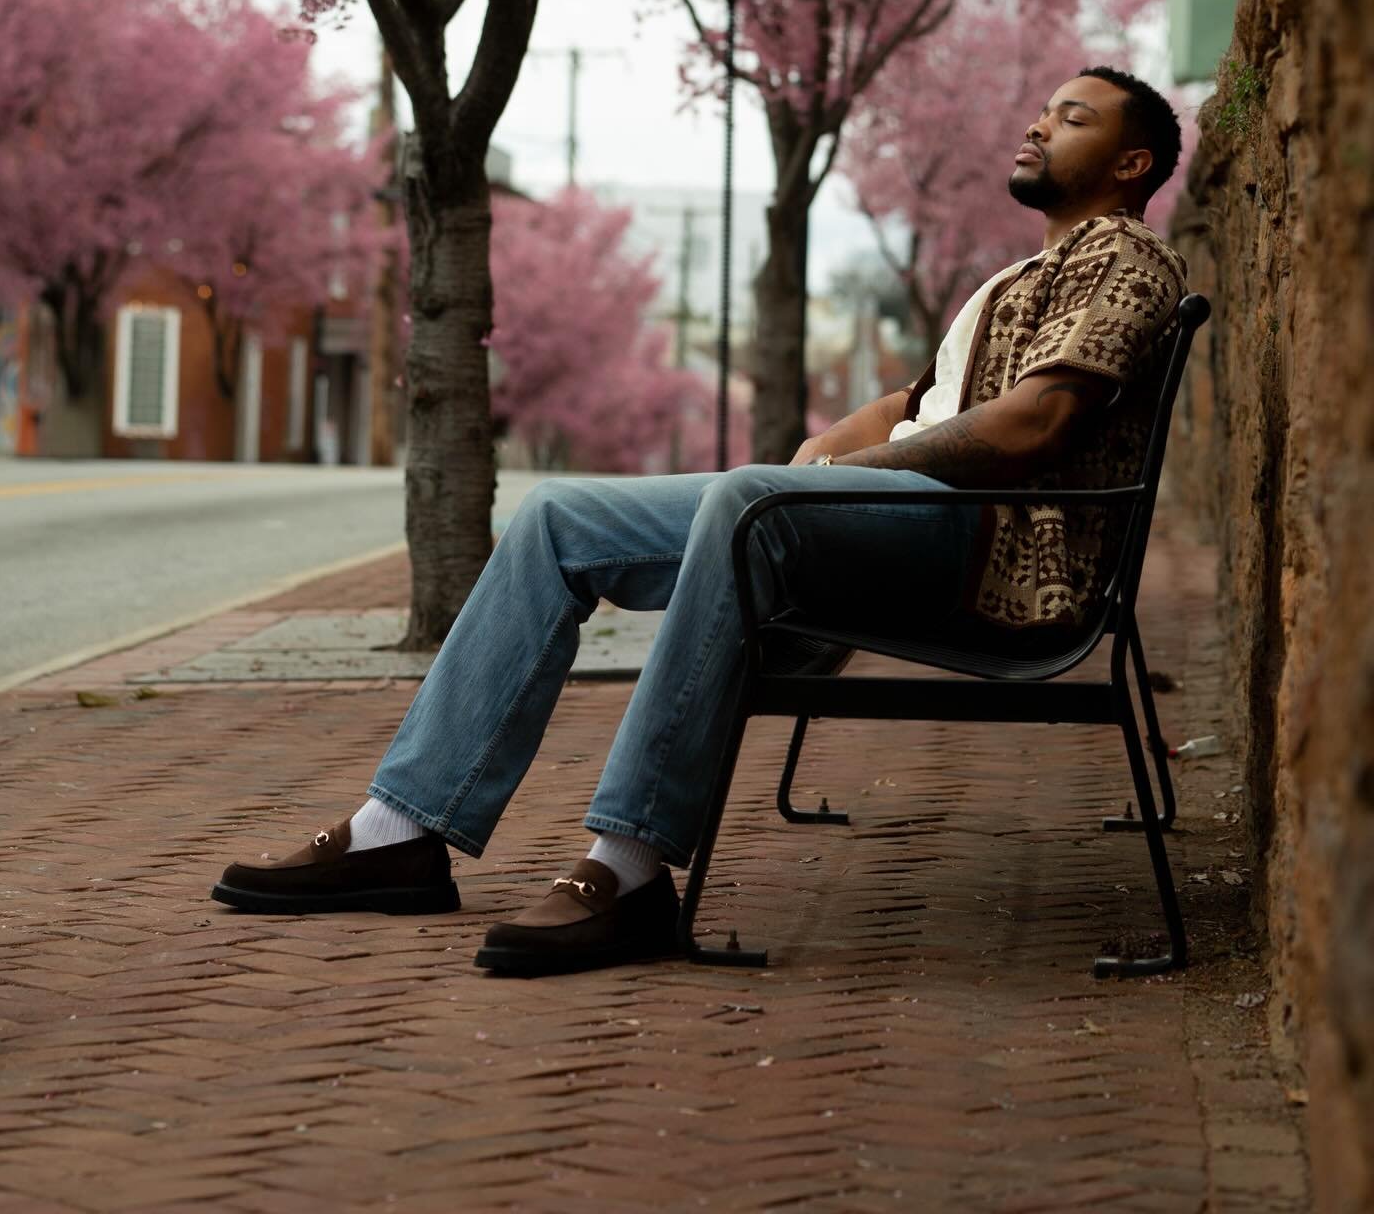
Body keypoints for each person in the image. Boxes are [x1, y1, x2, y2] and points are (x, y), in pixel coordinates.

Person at [212, 66, 1186, 976]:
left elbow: (1037, 422)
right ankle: (400, 832)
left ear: (1131, 163)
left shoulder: (1128, 259)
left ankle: (630, 867)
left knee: (745, 502)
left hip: (991, 544)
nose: (1038, 125)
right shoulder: (1018, 277)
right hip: (905, 513)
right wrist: (819, 458)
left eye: (1072, 118)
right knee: (557, 516)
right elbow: (915, 404)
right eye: (1042, 111)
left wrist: (839, 477)